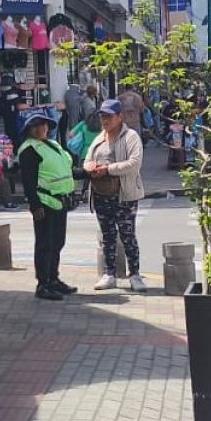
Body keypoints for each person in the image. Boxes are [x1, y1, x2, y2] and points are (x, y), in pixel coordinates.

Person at [19, 111, 84, 300]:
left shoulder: (53, 145)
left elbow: (66, 170)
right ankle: (43, 284)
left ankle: (53, 279)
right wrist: (35, 205)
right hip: (45, 202)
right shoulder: (29, 149)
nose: (41, 129)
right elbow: (28, 181)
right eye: (36, 126)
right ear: (29, 130)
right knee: (44, 245)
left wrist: (88, 172)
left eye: (44, 125)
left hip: (59, 201)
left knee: (57, 242)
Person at [86, 100, 147, 293]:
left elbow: (134, 163)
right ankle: (109, 273)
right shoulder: (99, 139)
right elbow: (88, 159)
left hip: (125, 195)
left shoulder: (130, 136)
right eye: (102, 116)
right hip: (101, 194)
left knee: (128, 235)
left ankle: (135, 274)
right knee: (107, 235)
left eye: (109, 116)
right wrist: (91, 167)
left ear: (119, 117)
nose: (105, 120)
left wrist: (108, 169)